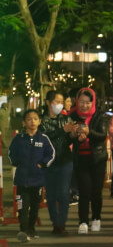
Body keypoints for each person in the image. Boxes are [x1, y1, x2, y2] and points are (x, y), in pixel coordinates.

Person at [9, 109, 55, 242]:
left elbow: (51, 154)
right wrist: (16, 162)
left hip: (38, 180)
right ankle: (23, 230)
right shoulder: (18, 139)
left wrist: (43, 163)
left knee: (35, 207)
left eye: (35, 119)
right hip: (22, 180)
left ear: (39, 122)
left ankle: (31, 229)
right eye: (29, 119)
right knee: (22, 207)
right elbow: (12, 154)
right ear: (23, 123)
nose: (32, 121)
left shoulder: (43, 138)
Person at [69, 88, 110, 234]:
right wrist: (74, 136)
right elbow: (69, 137)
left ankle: (96, 218)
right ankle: (83, 222)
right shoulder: (72, 115)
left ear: (92, 102)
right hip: (81, 158)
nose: (84, 105)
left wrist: (88, 133)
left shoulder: (100, 115)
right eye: (81, 102)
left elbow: (102, 135)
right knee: (84, 191)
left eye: (87, 102)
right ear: (77, 101)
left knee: (96, 192)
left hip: (97, 158)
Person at [40, 90, 76, 235]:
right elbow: (44, 138)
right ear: (48, 102)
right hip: (48, 162)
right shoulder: (41, 120)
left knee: (63, 192)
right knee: (52, 194)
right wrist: (62, 130)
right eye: (57, 101)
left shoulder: (66, 119)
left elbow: (68, 141)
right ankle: (55, 222)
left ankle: (61, 223)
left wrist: (73, 134)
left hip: (65, 160)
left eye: (62, 102)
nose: (60, 105)